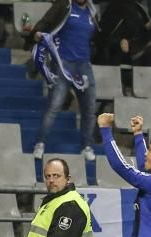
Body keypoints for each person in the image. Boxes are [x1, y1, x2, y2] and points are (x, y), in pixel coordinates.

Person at [30, 0, 100, 162]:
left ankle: (86, 146)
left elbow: (96, 37)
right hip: (63, 64)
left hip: (84, 66)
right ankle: (40, 143)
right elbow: (46, 21)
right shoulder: (64, 5)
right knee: (54, 106)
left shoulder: (93, 12)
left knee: (89, 109)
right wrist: (37, 32)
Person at [95, 0, 151, 66]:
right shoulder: (111, 9)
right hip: (117, 49)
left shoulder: (139, 8)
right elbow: (103, 36)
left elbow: (148, 30)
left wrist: (131, 42)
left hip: (136, 47)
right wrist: (120, 41)